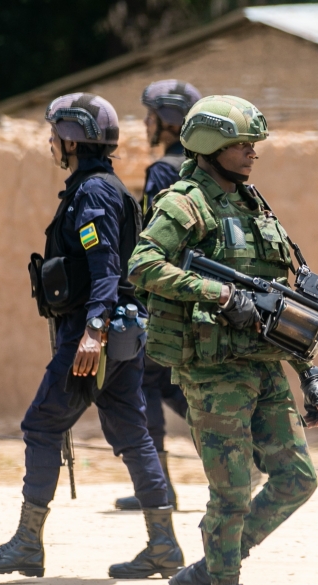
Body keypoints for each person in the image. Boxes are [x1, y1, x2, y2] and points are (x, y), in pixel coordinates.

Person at [128, 95, 318, 585]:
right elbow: (142, 264)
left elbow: (281, 301)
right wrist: (218, 294)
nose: (253, 154)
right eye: (244, 144)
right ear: (213, 145)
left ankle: (203, 575)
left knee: (297, 478)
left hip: (262, 365)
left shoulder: (251, 203)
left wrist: (309, 371)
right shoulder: (185, 204)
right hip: (213, 371)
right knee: (232, 495)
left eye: (254, 145)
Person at [0, 93, 184, 581]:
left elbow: (105, 266)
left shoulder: (93, 195)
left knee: (42, 424)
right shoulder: (106, 188)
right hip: (122, 331)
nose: (50, 143)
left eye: (54, 135)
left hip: (95, 334)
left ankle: (26, 545)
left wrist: (91, 332)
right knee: (134, 434)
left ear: (71, 139)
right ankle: (164, 544)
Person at [114, 79, 203, 512]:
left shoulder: (164, 172)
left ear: (169, 122)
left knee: (143, 381)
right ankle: (255, 449)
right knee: (171, 384)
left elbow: (154, 240)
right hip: (197, 297)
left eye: (151, 116)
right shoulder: (203, 171)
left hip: (163, 296)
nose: (145, 124)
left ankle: (157, 485)